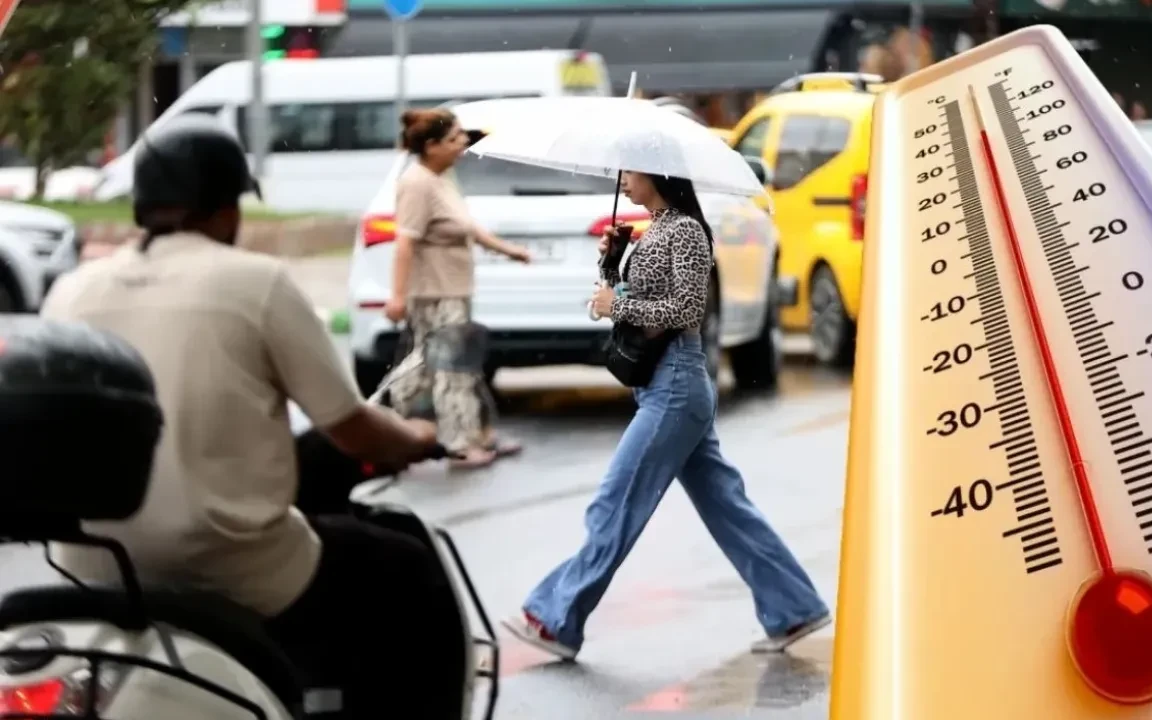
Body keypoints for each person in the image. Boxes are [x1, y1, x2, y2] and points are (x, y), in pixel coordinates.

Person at [40, 114, 470, 717]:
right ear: (225, 210)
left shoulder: (72, 290)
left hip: (92, 566)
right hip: (233, 568)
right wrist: (418, 437)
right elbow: (350, 428)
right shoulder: (255, 282)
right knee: (405, 570)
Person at [502, 170, 831, 660]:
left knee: (616, 502)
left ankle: (557, 619)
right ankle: (795, 608)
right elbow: (635, 303)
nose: (623, 181)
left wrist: (619, 304)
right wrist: (613, 264)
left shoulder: (687, 230)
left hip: (675, 386)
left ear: (658, 175)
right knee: (728, 509)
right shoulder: (656, 227)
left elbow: (687, 310)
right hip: (662, 386)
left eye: (630, 172)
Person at [386, 107, 529, 470]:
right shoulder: (417, 183)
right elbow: (405, 242)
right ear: (431, 146)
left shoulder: (441, 178)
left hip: (454, 289)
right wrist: (397, 296)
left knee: (446, 364)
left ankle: (470, 432)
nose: (463, 142)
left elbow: (466, 226)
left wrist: (507, 249)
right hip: (434, 293)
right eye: (454, 138)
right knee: (449, 369)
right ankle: (459, 444)